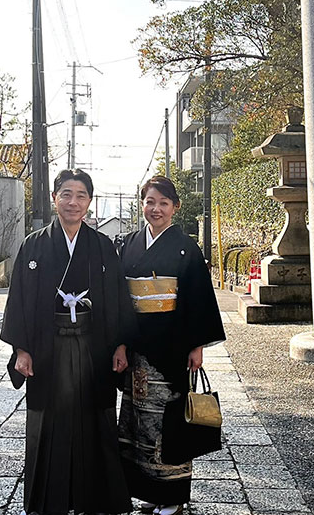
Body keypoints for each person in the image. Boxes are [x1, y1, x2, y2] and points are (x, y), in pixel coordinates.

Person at [0, 168, 136, 515]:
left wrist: (120, 345)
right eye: (66, 194)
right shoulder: (34, 244)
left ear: (89, 202)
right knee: (50, 422)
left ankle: (97, 498)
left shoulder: (102, 246)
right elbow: (19, 298)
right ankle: (50, 500)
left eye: (80, 195)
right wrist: (21, 349)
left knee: (95, 419)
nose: (73, 202)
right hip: (49, 348)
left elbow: (118, 298)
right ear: (54, 199)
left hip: (93, 348)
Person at [118, 175, 226, 515]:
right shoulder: (129, 243)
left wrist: (197, 344)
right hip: (137, 347)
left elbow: (198, 298)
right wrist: (120, 343)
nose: (156, 209)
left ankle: (174, 495)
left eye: (163, 203)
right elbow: (120, 300)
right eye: (150, 201)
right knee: (137, 422)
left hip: (172, 346)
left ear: (174, 207)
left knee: (169, 421)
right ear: (142, 204)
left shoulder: (185, 247)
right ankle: (150, 492)